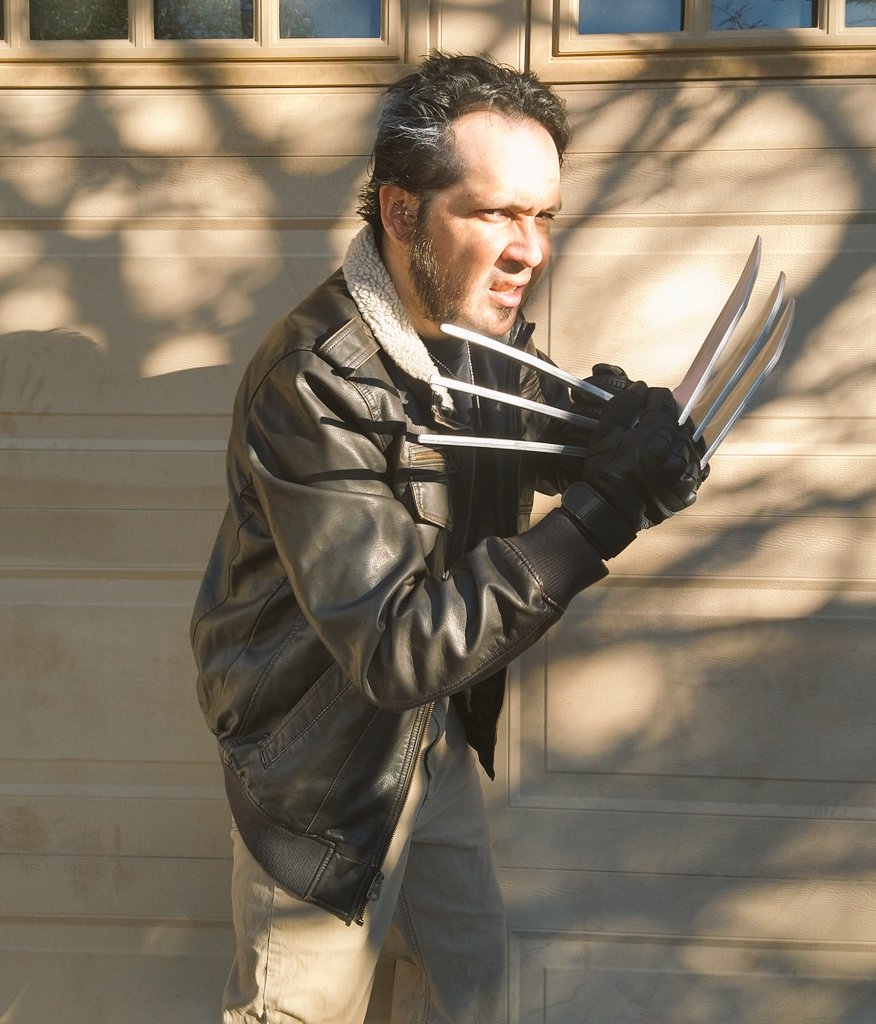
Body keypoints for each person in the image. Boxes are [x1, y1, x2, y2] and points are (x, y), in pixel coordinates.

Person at [191, 53, 707, 1024]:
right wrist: (600, 517)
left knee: (467, 989)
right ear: (400, 213)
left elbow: (532, 423)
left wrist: (621, 428)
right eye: (496, 214)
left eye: (543, 216)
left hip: (429, 740)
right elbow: (393, 646)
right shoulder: (317, 382)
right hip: (320, 765)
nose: (530, 251)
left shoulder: (474, 335)